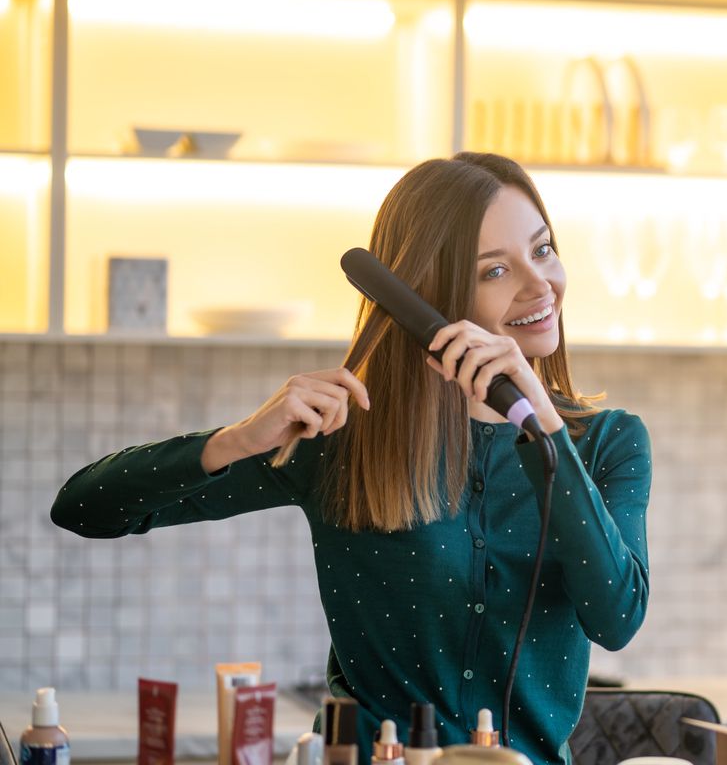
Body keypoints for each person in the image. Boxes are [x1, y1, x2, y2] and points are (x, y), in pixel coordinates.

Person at [51, 152, 651, 765]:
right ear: (431, 300)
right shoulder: (345, 441)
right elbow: (83, 509)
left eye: (543, 249)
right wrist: (241, 438)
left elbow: (618, 617)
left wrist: (542, 424)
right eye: (495, 270)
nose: (539, 284)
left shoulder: (606, 444)